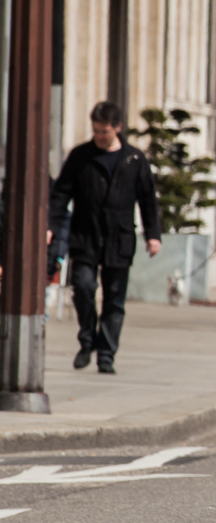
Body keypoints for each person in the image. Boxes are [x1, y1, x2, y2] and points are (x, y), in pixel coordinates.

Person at [49, 101, 162, 374]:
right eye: (96, 131)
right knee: (84, 287)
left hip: (119, 237)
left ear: (117, 128)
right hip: (85, 235)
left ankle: (106, 355)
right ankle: (87, 339)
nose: (100, 136)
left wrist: (153, 235)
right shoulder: (80, 156)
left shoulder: (134, 159)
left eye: (105, 131)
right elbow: (61, 193)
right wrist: (50, 225)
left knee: (114, 299)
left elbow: (148, 200)